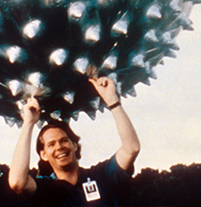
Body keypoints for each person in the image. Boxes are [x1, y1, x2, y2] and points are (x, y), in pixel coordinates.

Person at [8, 76, 140, 206]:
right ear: (43, 155)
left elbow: (131, 148)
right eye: (51, 144)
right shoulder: (46, 189)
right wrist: (29, 123)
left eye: (64, 140)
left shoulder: (102, 175)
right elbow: (17, 182)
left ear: (74, 146)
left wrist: (113, 101)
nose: (59, 147)